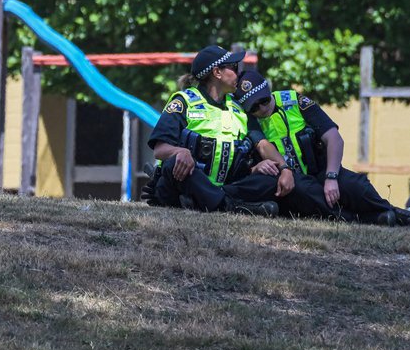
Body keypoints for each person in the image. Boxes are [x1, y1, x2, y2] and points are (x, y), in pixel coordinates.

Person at [142, 45, 339, 219]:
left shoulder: (238, 108)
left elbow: (261, 144)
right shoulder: (184, 101)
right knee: (172, 166)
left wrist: (284, 168)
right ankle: (231, 207)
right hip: (187, 181)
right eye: (234, 68)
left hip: (226, 186)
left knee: (271, 180)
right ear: (217, 72)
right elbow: (160, 149)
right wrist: (180, 152)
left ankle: (213, 202)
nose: (239, 73)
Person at [233, 69, 410, 227]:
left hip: (321, 170)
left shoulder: (294, 101)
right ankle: (368, 220)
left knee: (355, 185)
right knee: (309, 194)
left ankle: (393, 212)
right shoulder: (249, 120)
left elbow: (333, 137)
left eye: (264, 100)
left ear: (268, 90)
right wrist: (285, 169)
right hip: (291, 179)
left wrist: (331, 177)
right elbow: (262, 144)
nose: (261, 108)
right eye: (254, 107)